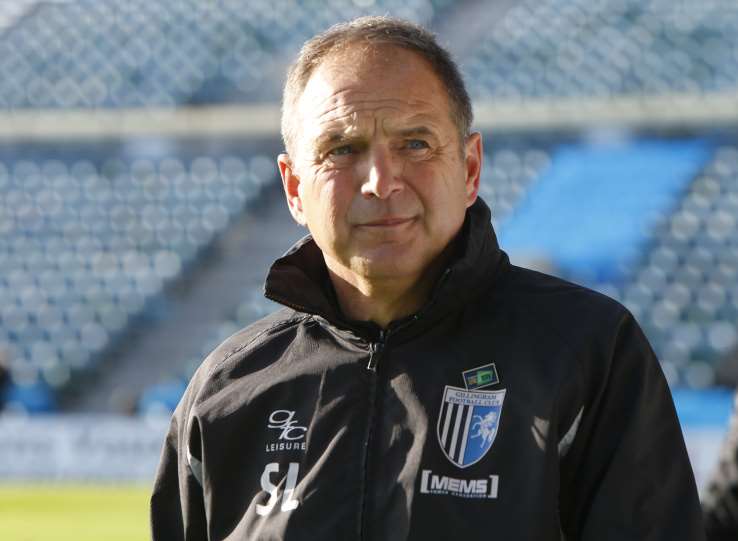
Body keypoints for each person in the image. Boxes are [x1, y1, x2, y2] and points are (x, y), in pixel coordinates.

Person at [151, 16, 704, 540]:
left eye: (415, 144)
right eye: (341, 150)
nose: (380, 182)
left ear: (469, 170)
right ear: (294, 187)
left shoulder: (587, 353)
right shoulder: (225, 390)